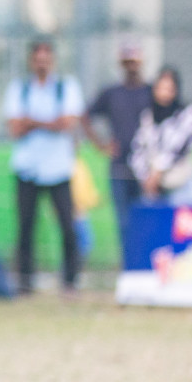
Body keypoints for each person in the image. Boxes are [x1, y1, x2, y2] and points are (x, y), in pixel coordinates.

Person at [3, 39, 84, 295]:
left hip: (58, 168)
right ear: (30, 60)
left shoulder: (66, 87)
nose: (42, 63)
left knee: (67, 227)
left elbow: (68, 122)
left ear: (52, 60)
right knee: (25, 227)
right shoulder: (19, 89)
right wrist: (50, 122)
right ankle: (25, 280)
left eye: (46, 58)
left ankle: (70, 280)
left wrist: (32, 122)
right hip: (28, 168)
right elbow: (15, 128)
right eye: (37, 58)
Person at [80, 42, 152, 253]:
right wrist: (100, 144)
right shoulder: (112, 93)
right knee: (123, 223)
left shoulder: (150, 91)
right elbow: (85, 116)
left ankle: (145, 266)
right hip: (120, 168)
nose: (131, 66)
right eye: (127, 62)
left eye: (134, 61)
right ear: (122, 64)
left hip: (146, 169)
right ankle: (128, 266)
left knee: (146, 219)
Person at [129, 66, 192, 206]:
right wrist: (146, 177)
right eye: (160, 88)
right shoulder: (147, 116)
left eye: (169, 89)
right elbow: (137, 149)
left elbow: (178, 147)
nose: (164, 94)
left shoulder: (187, 113)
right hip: (153, 189)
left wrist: (157, 172)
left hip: (180, 185)